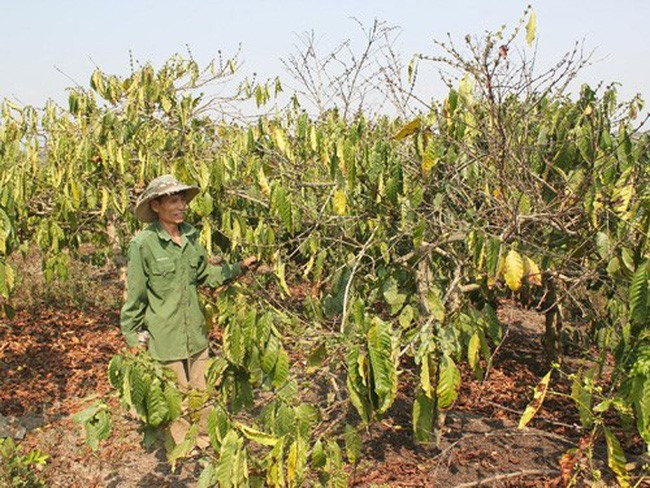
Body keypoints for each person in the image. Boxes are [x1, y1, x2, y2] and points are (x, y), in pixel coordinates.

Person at [119, 174, 258, 448]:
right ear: (156, 206)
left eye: (182, 199)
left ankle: (205, 441)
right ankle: (182, 448)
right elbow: (135, 296)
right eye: (173, 200)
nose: (181, 205)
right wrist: (133, 339)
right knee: (176, 394)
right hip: (164, 334)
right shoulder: (143, 245)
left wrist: (238, 267)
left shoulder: (192, 236)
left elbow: (207, 275)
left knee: (203, 390)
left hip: (195, 332)